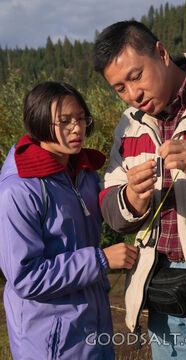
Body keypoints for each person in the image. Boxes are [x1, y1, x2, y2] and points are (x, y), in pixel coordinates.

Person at [93, 20, 186, 360]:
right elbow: (111, 210)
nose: (133, 94)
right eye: (119, 88)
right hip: (161, 298)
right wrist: (132, 198)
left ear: (160, 53)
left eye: (136, 76)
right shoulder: (128, 126)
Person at [0, 81, 138, 360]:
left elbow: (110, 213)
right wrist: (100, 259)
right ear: (38, 121)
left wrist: (135, 194)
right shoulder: (19, 189)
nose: (77, 128)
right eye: (64, 122)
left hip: (92, 328)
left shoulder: (83, 172)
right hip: (49, 340)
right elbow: (25, 276)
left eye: (81, 119)